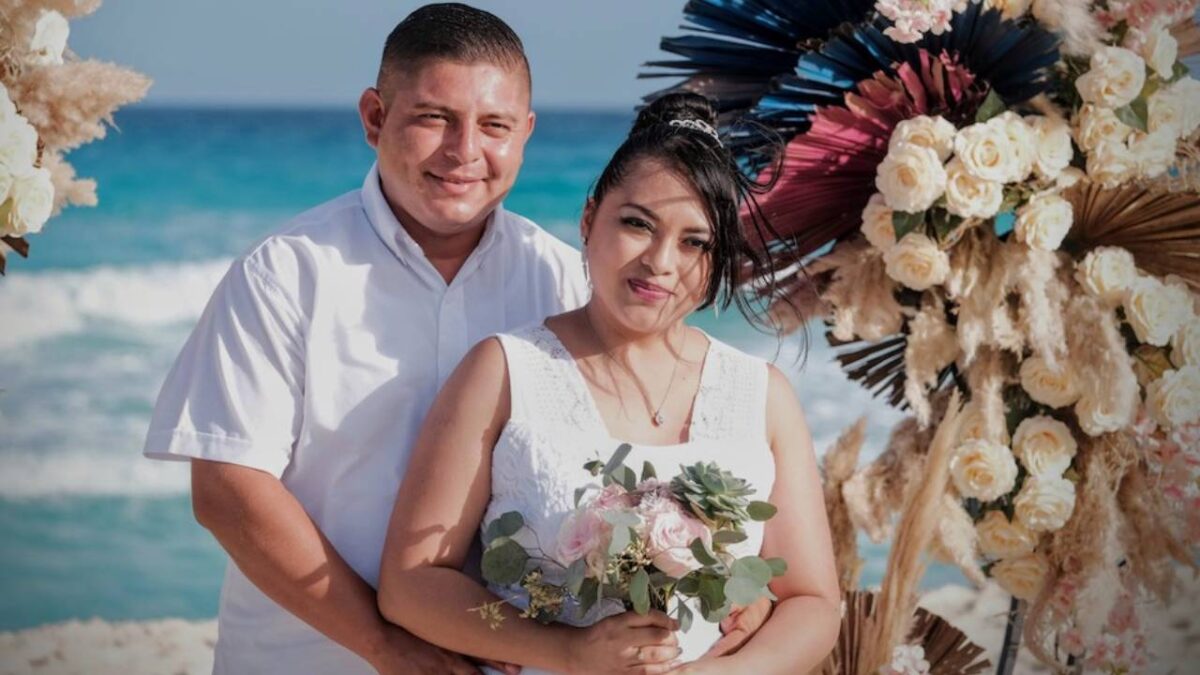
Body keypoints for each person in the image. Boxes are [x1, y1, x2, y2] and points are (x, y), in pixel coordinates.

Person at [143, 4, 770, 673]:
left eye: (494, 126)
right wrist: (387, 646)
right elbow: (228, 489)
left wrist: (733, 590)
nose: (464, 152)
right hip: (308, 657)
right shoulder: (288, 272)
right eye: (434, 118)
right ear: (374, 118)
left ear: (525, 133)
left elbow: (648, 461)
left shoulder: (561, 277)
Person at [376, 92, 841, 674]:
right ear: (590, 218)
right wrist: (567, 653)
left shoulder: (762, 395)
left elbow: (813, 602)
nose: (661, 263)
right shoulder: (504, 371)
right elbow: (411, 584)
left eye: (695, 242)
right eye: (637, 224)